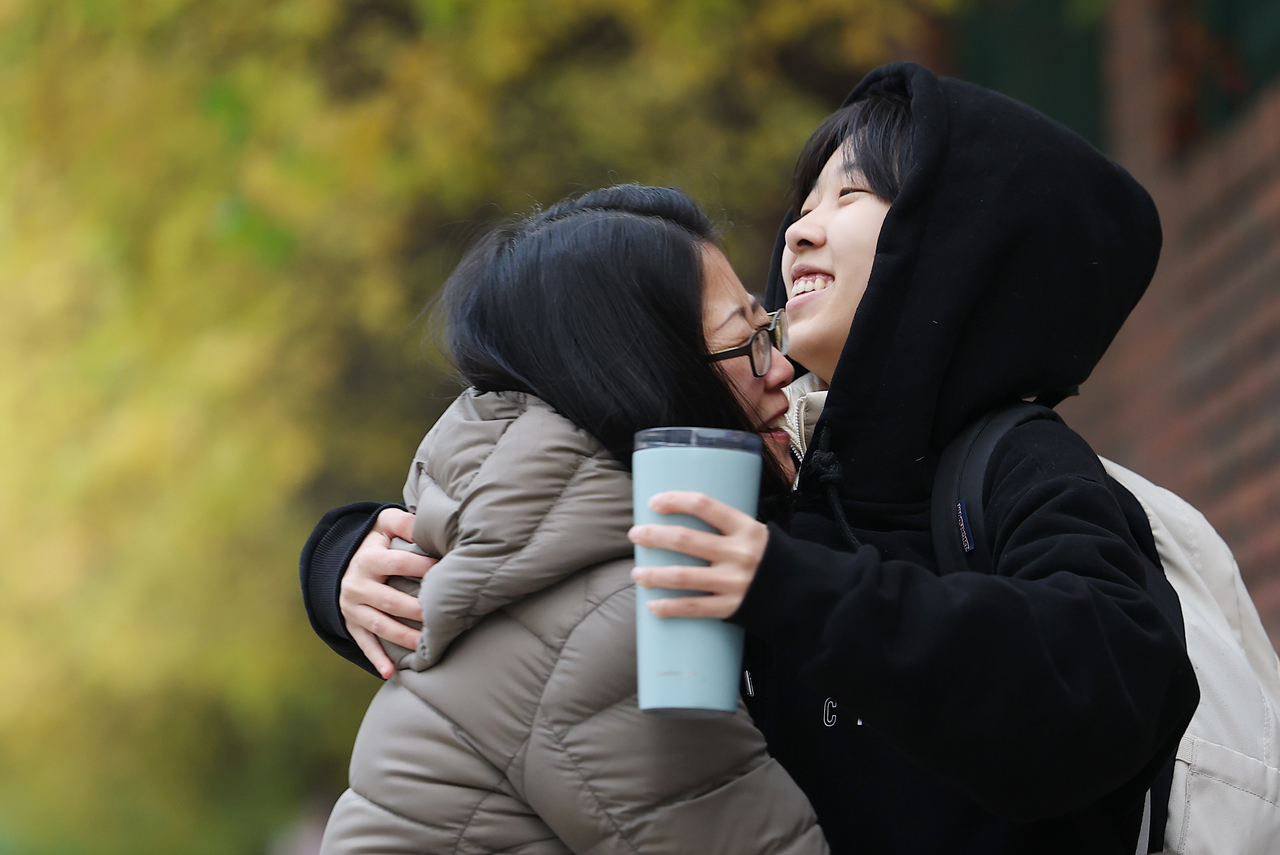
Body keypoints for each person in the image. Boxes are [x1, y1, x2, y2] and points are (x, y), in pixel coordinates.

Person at [303, 64, 1201, 854]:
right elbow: (539, 547)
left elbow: (1116, 678)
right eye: (802, 205)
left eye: (851, 196)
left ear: (964, 244)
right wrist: (344, 561)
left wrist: (791, 584)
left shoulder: (1014, 465)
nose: (798, 233)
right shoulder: (793, 482)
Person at [310, 184, 829, 854]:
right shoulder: (614, 623)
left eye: (771, 333)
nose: (782, 368)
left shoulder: (530, 551)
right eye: (748, 343)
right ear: (644, 371)